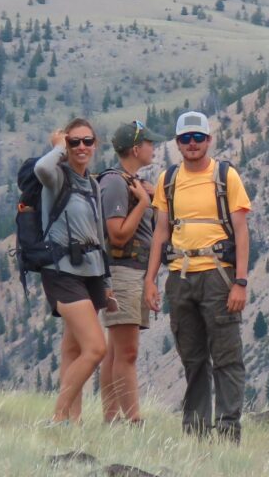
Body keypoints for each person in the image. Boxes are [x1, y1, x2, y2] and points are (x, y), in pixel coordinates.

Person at [144, 111, 251, 442]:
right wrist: (150, 279)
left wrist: (241, 281)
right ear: (178, 144)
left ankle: (228, 431)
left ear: (209, 140)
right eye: (185, 139)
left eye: (198, 138)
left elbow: (242, 231)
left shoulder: (225, 176)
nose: (192, 144)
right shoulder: (168, 180)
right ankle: (196, 431)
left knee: (226, 357)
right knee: (192, 359)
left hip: (219, 276)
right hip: (179, 277)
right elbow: (161, 231)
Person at [35, 118, 115, 424]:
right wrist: (57, 148)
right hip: (62, 270)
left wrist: (106, 284)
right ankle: (58, 418)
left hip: (91, 272)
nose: (81, 147)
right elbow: (41, 169)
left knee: (73, 348)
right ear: (66, 145)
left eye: (87, 141)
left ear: (95, 144)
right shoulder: (57, 177)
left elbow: (99, 235)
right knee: (95, 348)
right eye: (74, 142)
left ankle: (74, 421)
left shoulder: (92, 184)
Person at [98, 120, 167, 424]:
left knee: (115, 352)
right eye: (149, 143)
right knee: (127, 353)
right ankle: (134, 422)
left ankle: (111, 421)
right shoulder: (115, 182)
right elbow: (118, 235)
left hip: (133, 273)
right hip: (123, 273)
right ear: (136, 148)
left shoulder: (131, 181)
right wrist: (143, 202)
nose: (154, 148)